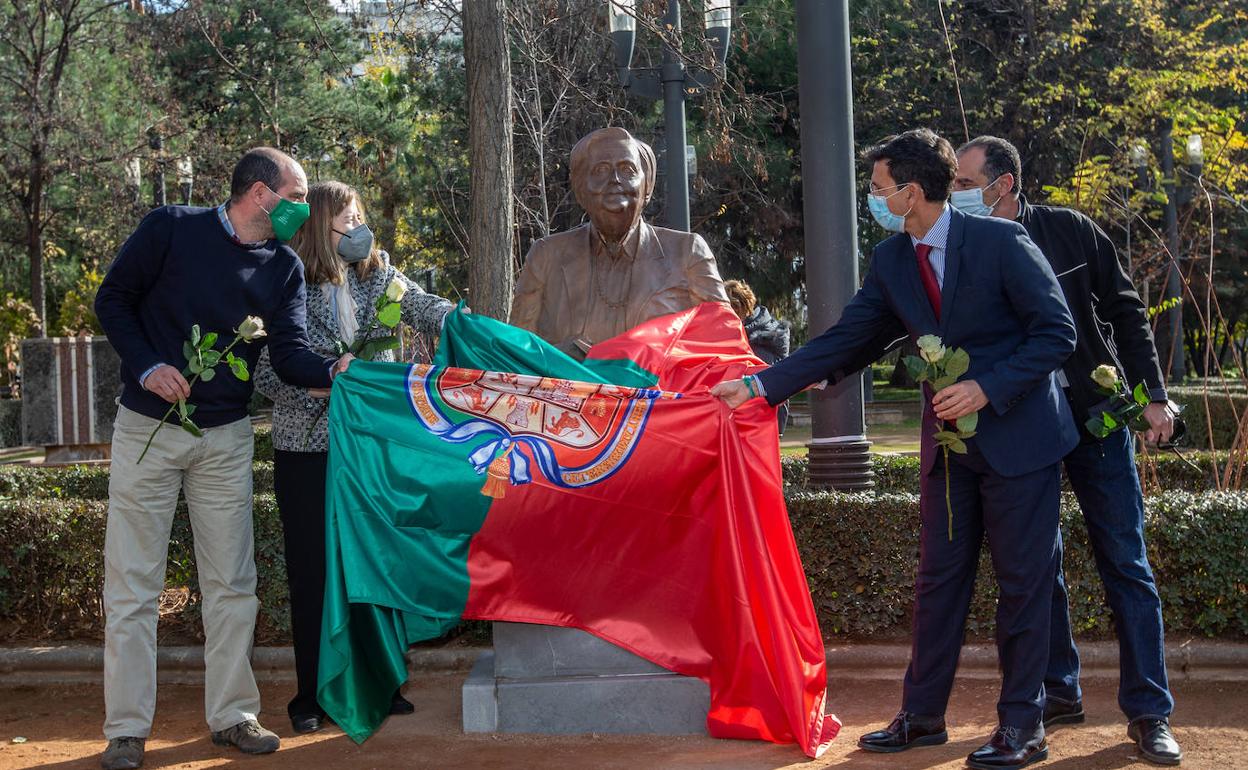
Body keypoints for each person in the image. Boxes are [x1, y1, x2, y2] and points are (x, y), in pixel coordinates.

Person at [713, 129, 1078, 769]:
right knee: (937, 582)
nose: (874, 199)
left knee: (1024, 586)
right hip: (948, 452)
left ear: (911, 192)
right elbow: (846, 339)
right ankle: (922, 717)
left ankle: (1024, 725)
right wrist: (757, 384)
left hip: (1022, 441)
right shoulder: (892, 260)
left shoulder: (1001, 241)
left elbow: (1057, 333)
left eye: (880, 189)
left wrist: (986, 388)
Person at [94, 147, 353, 770]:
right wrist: (149, 365)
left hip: (226, 438)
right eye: (295, 197)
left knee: (232, 585)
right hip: (148, 428)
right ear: (260, 194)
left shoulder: (284, 268)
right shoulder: (170, 228)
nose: (302, 209)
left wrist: (338, 373)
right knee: (132, 584)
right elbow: (113, 302)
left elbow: (288, 357)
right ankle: (127, 729)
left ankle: (233, 715)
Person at [953, 135, 1182, 766]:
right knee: (1034, 566)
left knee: (1126, 562)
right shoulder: (961, 247)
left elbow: (1128, 314)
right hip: (1019, 426)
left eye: (965, 184)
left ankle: (1149, 711)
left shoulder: (1071, 231)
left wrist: (1153, 395)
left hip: (1098, 420)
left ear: (1004, 183)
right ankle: (1058, 690)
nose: (955, 196)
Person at [252, 181, 455, 735]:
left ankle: (381, 680)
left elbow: (425, 309)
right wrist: (326, 385)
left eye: (363, 214)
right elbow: (266, 371)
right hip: (307, 449)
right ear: (322, 226)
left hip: (370, 451)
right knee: (314, 571)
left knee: (376, 560)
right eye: (350, 218)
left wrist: (464, 322)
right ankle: (312, 692)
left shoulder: (382, 278)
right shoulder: (286, 286)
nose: (361, 227)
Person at [510, 127, 729, 357]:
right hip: (566, 390)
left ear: (647, 187)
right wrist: (557, 357)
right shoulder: (546, 256)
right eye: (600, 170)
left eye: (627, 169)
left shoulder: (687, 254)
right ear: (581, 190)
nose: (614, 179)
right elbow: (515, 355)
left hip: (657, 391)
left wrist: (656, 357)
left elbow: (723, 348)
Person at [724, 279, 791, 434]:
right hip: (766, 416)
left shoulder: (757, 339)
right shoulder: (766, 330)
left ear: (737, 308)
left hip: (761, 418)